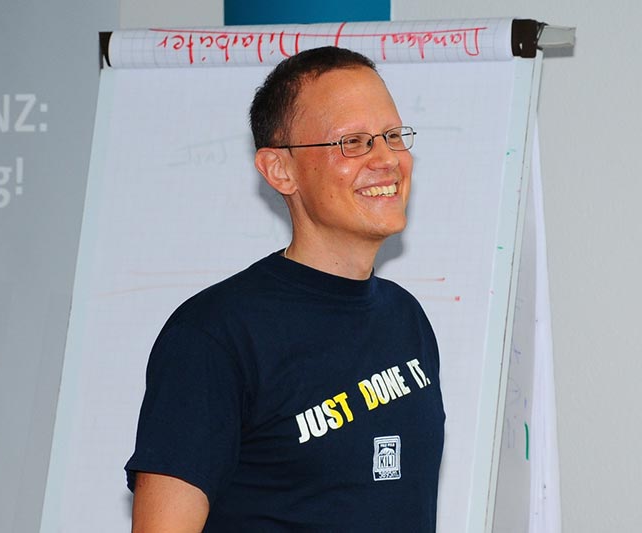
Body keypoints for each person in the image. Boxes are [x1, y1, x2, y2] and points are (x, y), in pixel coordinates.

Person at [126, 46, 445, 532]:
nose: (386, 159)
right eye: (353, 142)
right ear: (280, 169)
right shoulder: (214, 336)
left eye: (393, 136)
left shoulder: (406, 318)